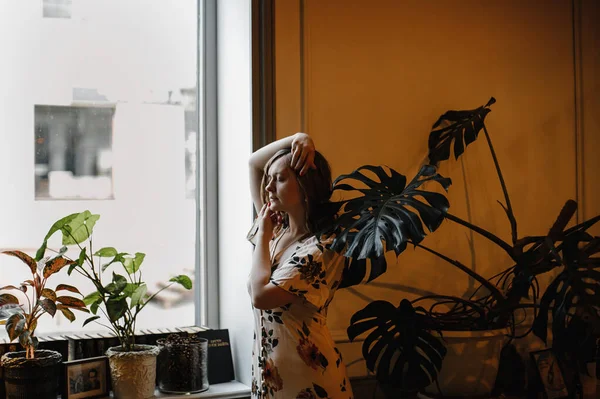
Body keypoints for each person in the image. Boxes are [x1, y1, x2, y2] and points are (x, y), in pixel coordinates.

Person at [247, 133, 353, 399]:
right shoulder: (277, 227)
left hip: (308, 381)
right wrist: (298, 137)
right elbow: (253, 163)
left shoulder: (320, 248)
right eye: (269, 179)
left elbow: (261, 296)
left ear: (306, 187)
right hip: (269, 375)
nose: (268, 187)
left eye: (280, 179)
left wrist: (262, 236)